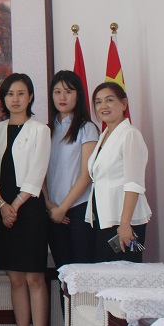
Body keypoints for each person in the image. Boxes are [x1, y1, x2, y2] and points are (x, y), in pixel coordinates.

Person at [0, 73, 52, 326]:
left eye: (21, 93)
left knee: (34, 277)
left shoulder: (40, 130)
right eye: (10, 94)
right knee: (14, 278)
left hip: (29, 208)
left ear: (30, 97)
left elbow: (37, 172)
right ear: (4, 98)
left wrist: (14, 204)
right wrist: (1, 204)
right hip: (1, 207)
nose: (15, 99)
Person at [87, 82, 151, 262]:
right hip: (106, 218)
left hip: (123, 222)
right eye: (98, 102)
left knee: (127, 271)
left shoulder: (130, 134)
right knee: (106, 273)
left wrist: (124, 224)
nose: (103, 106)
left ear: (123, 104)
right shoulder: (104, 135)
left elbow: (134, 183)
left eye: (109, 100)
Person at [45, 70, 99, 270]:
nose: (63, 97)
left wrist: (63, 208)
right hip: (52, 212)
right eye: (57, 92)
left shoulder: (87, 128)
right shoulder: (46, 130)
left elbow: (87, 175)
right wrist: (49, 205)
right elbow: (39, 173)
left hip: (78, 210)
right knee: (63, 273)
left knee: (82, 273)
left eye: (68, 91)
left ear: (78, 95)